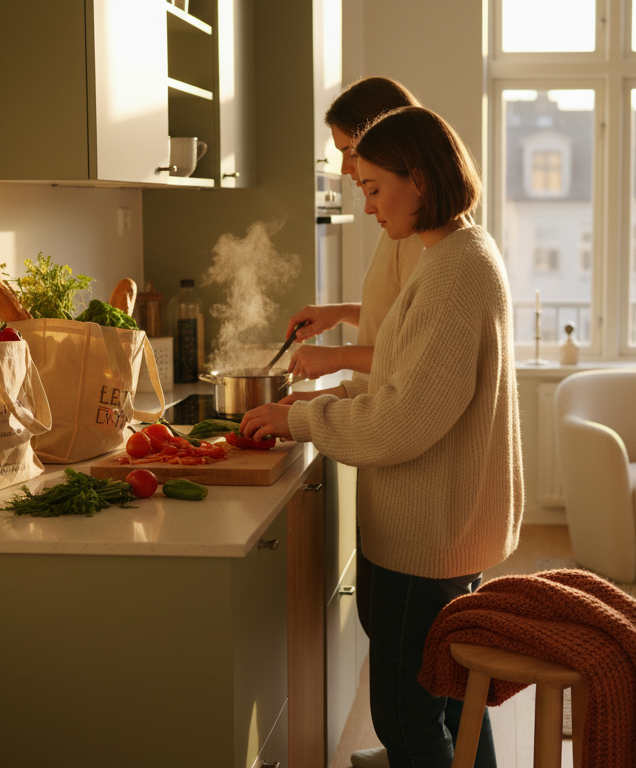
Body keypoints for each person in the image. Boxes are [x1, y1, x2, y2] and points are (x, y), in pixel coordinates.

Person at [241, 106, 523, 768]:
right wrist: (327, 397)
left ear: (418, 180)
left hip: (425, 538)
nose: (366, 207)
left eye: (372, 188)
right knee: (455, 700)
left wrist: (302, 417)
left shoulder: (455, 272)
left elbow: (404, 420)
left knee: (406, 717)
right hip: (439, 529)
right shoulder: (452, 254)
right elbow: (405, 380)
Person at [282, 76, 424, 385]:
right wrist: (341, 313)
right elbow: (399, 322)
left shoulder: (419, 234)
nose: (345, 168)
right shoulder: (399, 226)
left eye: (351, 151)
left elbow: (418, 354)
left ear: (387, 142)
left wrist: (336, 357)